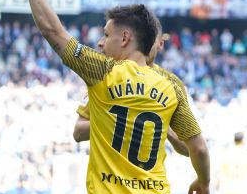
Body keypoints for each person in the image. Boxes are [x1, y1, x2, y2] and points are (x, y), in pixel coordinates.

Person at [18, 0, 210, 194]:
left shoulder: (101, 71)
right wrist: (204, 182)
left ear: (125, 38)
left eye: (106, 35)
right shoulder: (171, 85)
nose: (100, 43)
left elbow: (53, 32)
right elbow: (198, 147)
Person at [73, 22, 190, 158]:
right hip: (108, 176)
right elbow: (78, 132)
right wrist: (118, 120)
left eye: (149, 40)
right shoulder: (107, 76)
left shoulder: (171, 84)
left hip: (148, 177)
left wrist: (164, 127)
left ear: (160, 44)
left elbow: (189, 149)